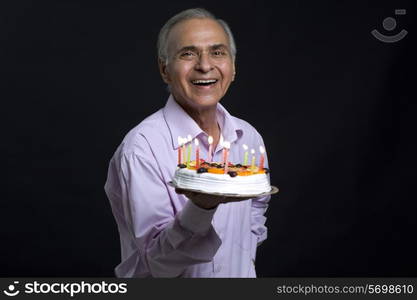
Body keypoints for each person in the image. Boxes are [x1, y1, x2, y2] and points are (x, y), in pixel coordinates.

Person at [104, 8, 271, 278]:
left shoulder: (248, 137)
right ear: (164, 70)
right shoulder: (142, 148)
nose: (205, 65)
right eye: (188, 53)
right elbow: (157, 263)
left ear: (233, 66)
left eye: (218, 52)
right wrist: (201, 207)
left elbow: (256, 210)